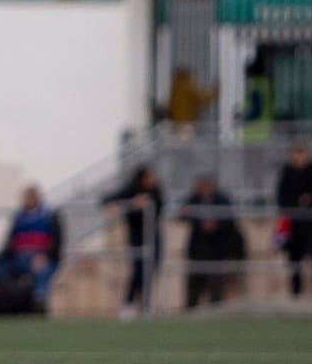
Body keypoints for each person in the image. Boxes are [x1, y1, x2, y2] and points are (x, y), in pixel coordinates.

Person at [102, 165, 164, 319]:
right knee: (138, 270)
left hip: (153, 234)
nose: (152, 180)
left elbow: (161, 204)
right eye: (149, 177)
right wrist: (131, 203)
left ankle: (146, 305)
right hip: (136, 234)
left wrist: (147, 201)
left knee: (151, 269)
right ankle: (128, 304)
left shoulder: (155, 190)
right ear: (141, 178)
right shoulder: (131, 189)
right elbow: (107, 199)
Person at [0, 184, 62, 314]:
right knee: (1, 267)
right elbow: (9, 243)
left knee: (42, 270)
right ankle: (3, 299)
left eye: (29, 196)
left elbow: (57, 243)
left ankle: (39, 303)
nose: (27, 199)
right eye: (25, 197)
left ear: (36, 197)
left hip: (41, 258)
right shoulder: (18, 216)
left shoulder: (50, 215)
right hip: (19, 258)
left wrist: (45, 256)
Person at [179, 175, 241, 309]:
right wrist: (195, 219)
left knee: (215, 284)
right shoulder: (194, 199)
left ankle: (215, 310)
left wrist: (216, 225)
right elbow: (182, 214)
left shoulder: (222, 200)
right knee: (194, 284)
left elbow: (230, 221)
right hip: (197, 249)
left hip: (216, 249)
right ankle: (190, 310)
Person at [276, 144, 312, 296]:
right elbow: (281, 198)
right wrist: (298, 201)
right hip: (295, 227)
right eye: (296, 154)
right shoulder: (287, 172)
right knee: (295, 263)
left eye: (301, 154)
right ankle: (296, 295)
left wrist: (309, 200)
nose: (299, 158)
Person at [166, 67, 217, 133]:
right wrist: (214, 93)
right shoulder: (187, 86)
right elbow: (201, 98)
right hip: (186, 122)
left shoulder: (175, 87)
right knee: (186, 137)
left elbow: (170, 106)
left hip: (176, 123)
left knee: (178, 138)